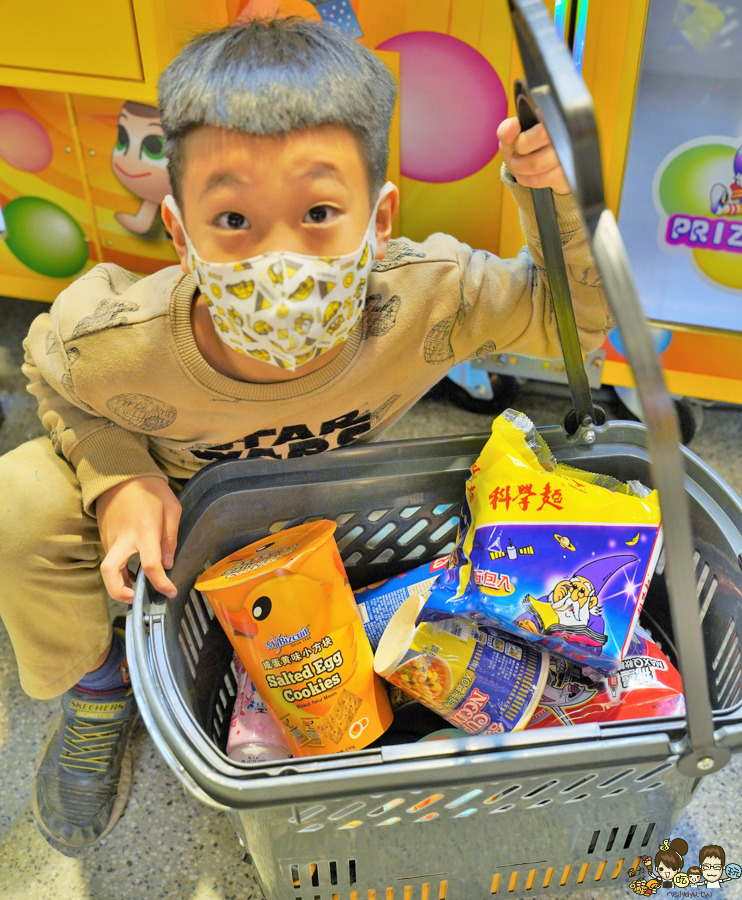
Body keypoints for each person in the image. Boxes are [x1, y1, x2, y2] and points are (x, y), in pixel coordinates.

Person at [0, 16, 611, 853]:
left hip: (327, 525)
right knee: (20, 498)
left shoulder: (427, 299)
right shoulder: (116, 340)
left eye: (320, 211)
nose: (279, 262)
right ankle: (100, 693)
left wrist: (563, 202)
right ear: (179, 232)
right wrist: (118, 479)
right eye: (234, 222)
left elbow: (572, 317)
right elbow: (49, 375)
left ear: (382, 215)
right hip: (179, 524)